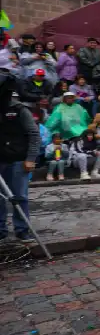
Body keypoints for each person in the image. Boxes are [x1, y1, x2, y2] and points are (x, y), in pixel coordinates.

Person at [0, 70, 42, 241]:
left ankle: (22, 229)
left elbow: (34, 134)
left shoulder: (19, 110)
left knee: (20, 196)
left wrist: (31, 158)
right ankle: (0, 230)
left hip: (19, 160)